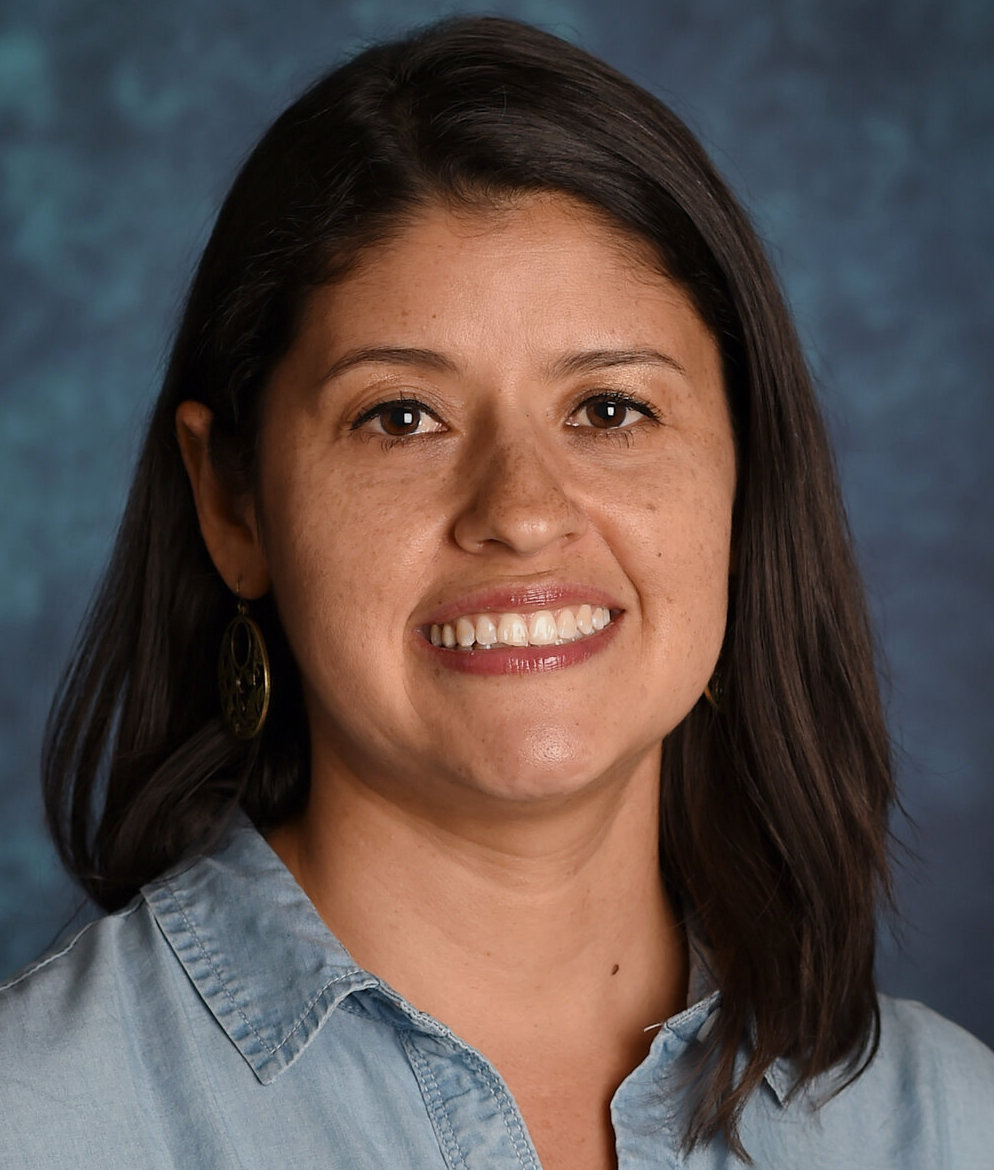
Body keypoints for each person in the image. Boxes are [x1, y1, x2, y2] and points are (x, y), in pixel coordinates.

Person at [1, 15, 991, 1169]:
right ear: (233, 504)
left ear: (745, 476)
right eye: (400, 418)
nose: (520, 511)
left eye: (610, 410)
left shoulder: (942, 1124)